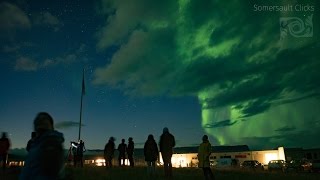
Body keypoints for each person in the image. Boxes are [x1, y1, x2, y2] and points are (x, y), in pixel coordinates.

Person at [20, 112, 65, 180]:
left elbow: (52, 170)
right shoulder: (36, 143)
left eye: (44, 118)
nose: (40, 120)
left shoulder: (51, 141)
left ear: (51, 125)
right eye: (38, 119)